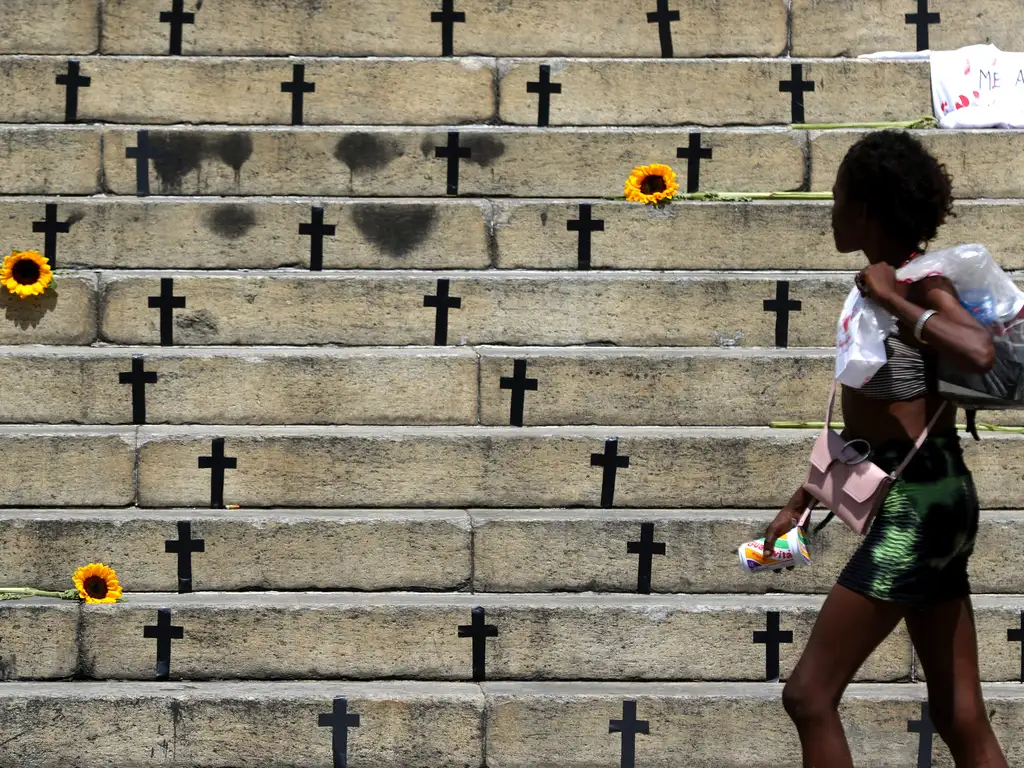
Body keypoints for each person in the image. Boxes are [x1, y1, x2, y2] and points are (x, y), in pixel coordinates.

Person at [762, 130, 1008, 767]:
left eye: (840, 196)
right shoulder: (878, 285)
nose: (832, 209)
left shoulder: (921, 283)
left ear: (868, 207)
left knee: (809, 695)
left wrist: (894, 297)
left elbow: (978, 350)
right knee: (958, 714)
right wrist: (804, 498)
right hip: (934, 494)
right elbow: (879, 423)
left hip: (919, 507)